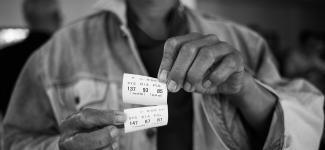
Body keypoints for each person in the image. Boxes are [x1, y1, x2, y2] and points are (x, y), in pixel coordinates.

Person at [3, 0, 323, 150]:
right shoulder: (57, 51)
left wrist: (246, 89)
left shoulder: (245, 43)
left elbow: (310, 132)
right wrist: (58, 147)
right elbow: (14, 140)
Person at [0, 0, 62, 116]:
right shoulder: (64, 55)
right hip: (56, 132)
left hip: (13, 132)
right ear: (57, 18)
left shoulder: (4, 56)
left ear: (27, 17)